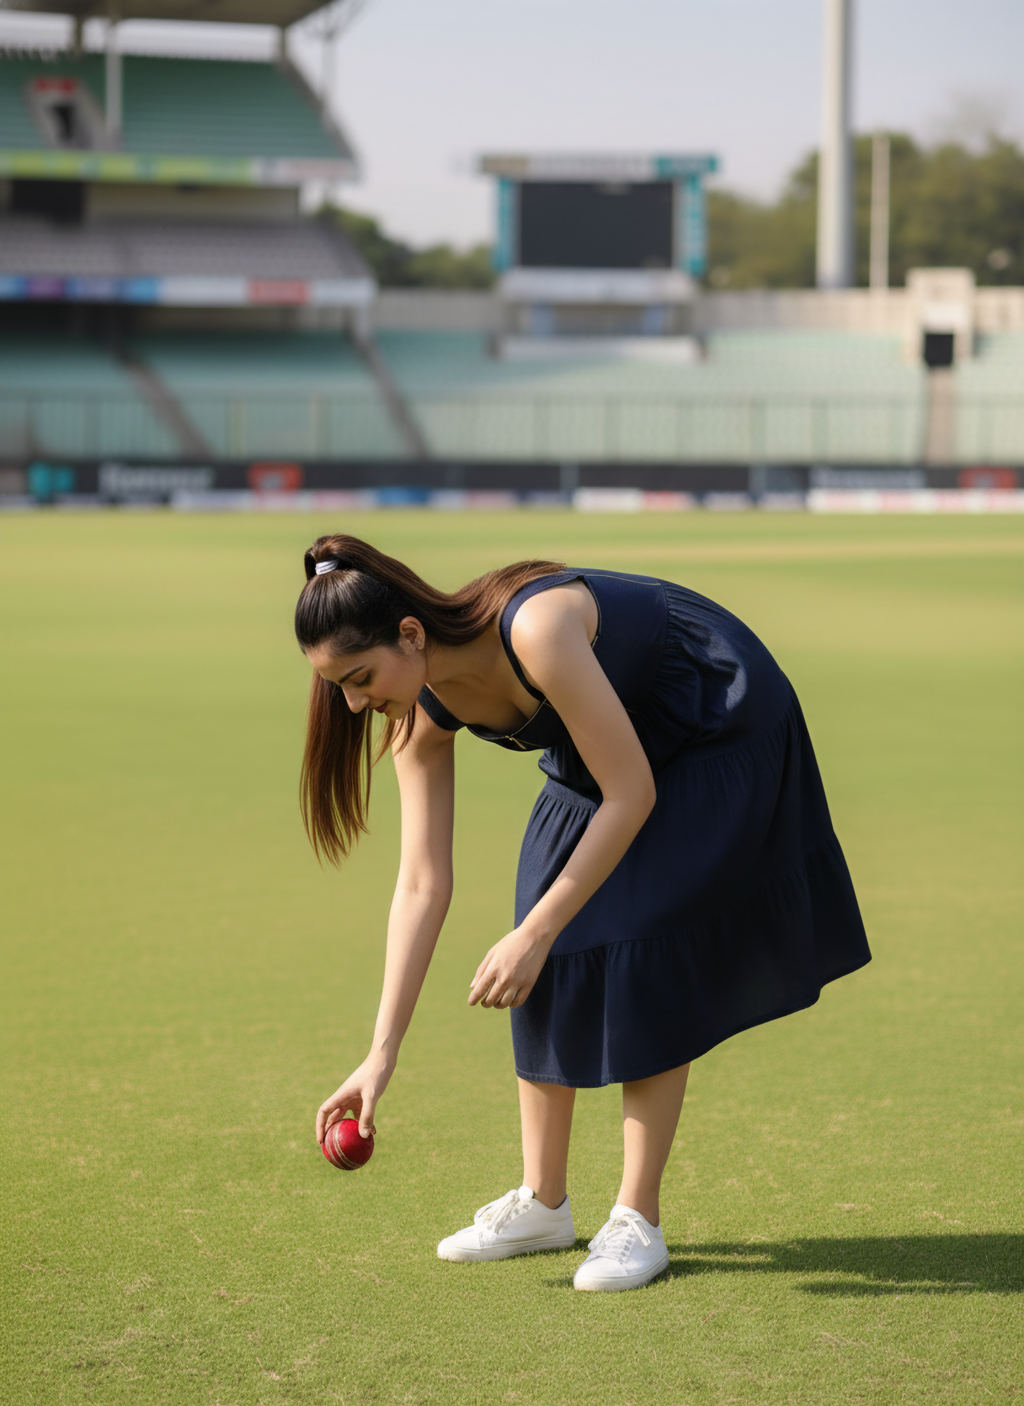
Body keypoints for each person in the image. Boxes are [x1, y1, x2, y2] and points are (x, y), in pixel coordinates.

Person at [298, 533, 870, 1293]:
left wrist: (537, 935)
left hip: (714, 715)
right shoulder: (418, 718)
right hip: (609, 736)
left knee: (641, 933)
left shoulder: (535, 631)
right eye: (338, 687)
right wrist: (381, 1052)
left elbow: (631, 794)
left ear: (409, 634)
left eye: (361, 677)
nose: (356, 703)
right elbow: (422, 883)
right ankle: (543, 1201)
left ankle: (639, 1217)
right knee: (541, 909)